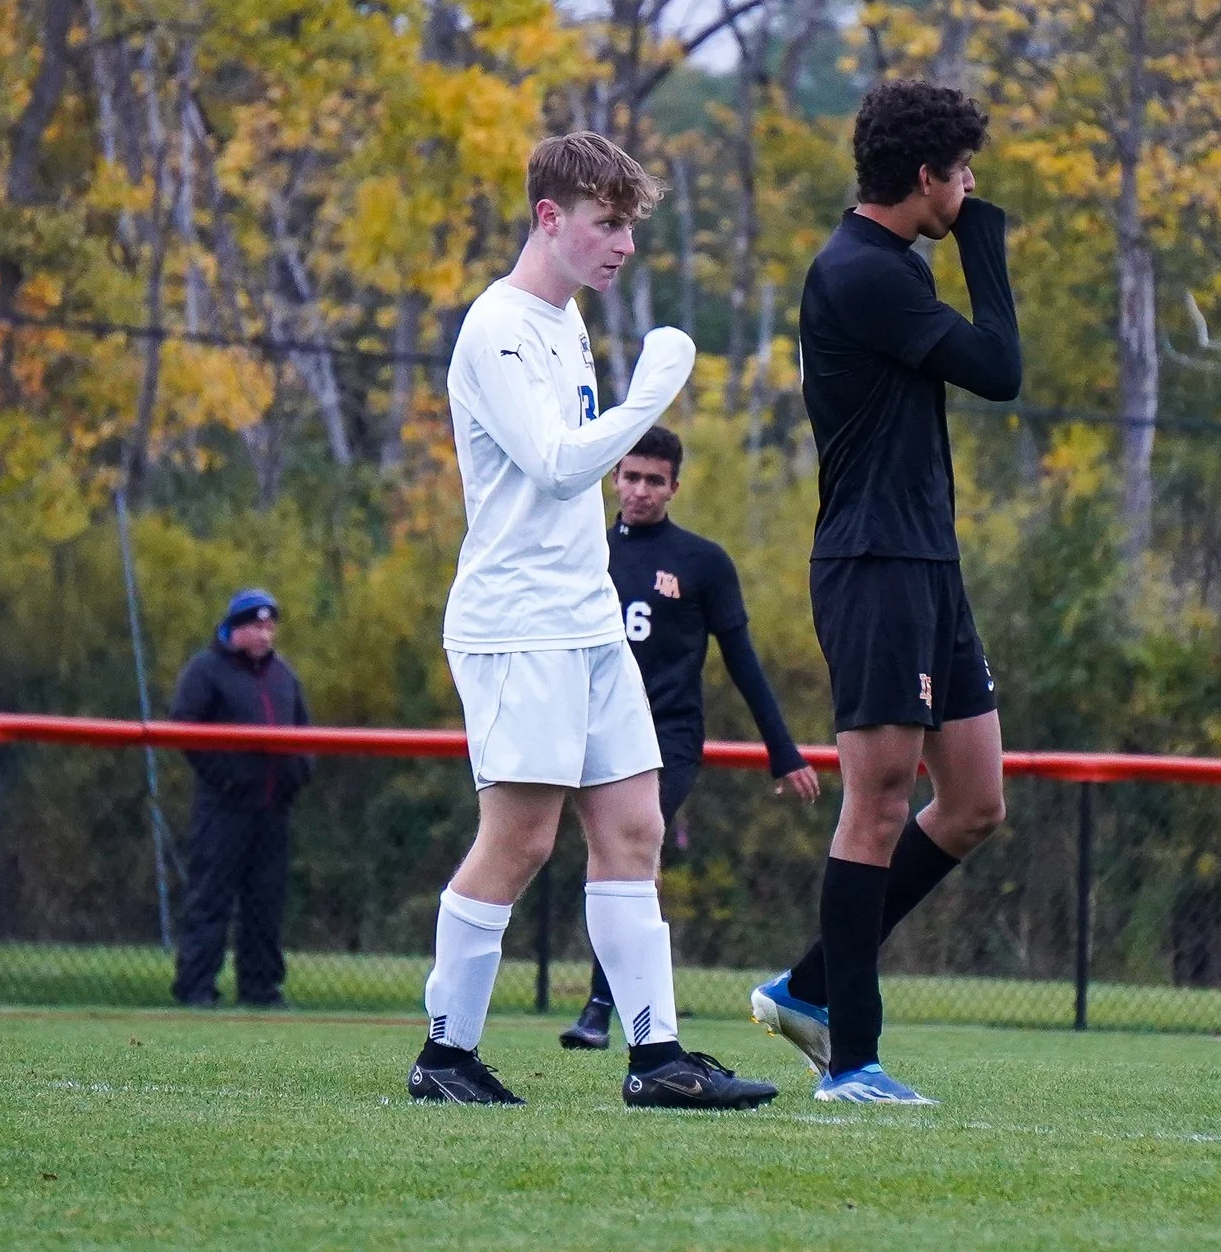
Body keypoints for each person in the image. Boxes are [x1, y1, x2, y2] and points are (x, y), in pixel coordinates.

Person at [409, 130, 780, 1112]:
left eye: (626, 226)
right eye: (606, 223)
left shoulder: (567, 319)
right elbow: (558, 463)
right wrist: (649, 396)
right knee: (522, 838)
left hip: (585, 617)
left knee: (633, 824)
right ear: (549, 217)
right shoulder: (498, 324)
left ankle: (655, 1054)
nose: (621, 244)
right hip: (519, 620)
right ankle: (445, 1053)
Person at [750, 80, 1022, 1106]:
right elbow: (998, 365)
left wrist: (961, 227)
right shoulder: (861, 271)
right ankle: (849, 1062)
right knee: (875, 803)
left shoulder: (894, 266)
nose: (971, 188)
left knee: (974, 801)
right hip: (873, 564)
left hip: (927, 564)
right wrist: (981, 235)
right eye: (963, 174)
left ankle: (810, 985)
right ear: (925, 177)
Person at [558, 425, 822, 1050]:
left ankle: (601, 1006)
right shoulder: (585, 552)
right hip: (590, 726)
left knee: (632, 844)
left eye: (655, 480)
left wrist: (782, 752)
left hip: (666, 734)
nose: (641, 490)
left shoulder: (702, 563)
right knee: (605, 857)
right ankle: (618, 1001)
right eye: (631, 476)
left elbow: (742, 660)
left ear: (674, 487)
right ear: (613, 479)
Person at [171, 588, 313, 1009]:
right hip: (223, 810)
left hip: (273, 811)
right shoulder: (206, 671)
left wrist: (299, 775)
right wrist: (227, 778)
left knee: (265, 903)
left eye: (270, 627)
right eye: (256, 626)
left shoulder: (283, 675)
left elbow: (304, 731)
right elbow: (183, 728)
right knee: (210, 899)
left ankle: (261, 989)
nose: (265, 635)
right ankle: (196, 988)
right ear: (235, 629)